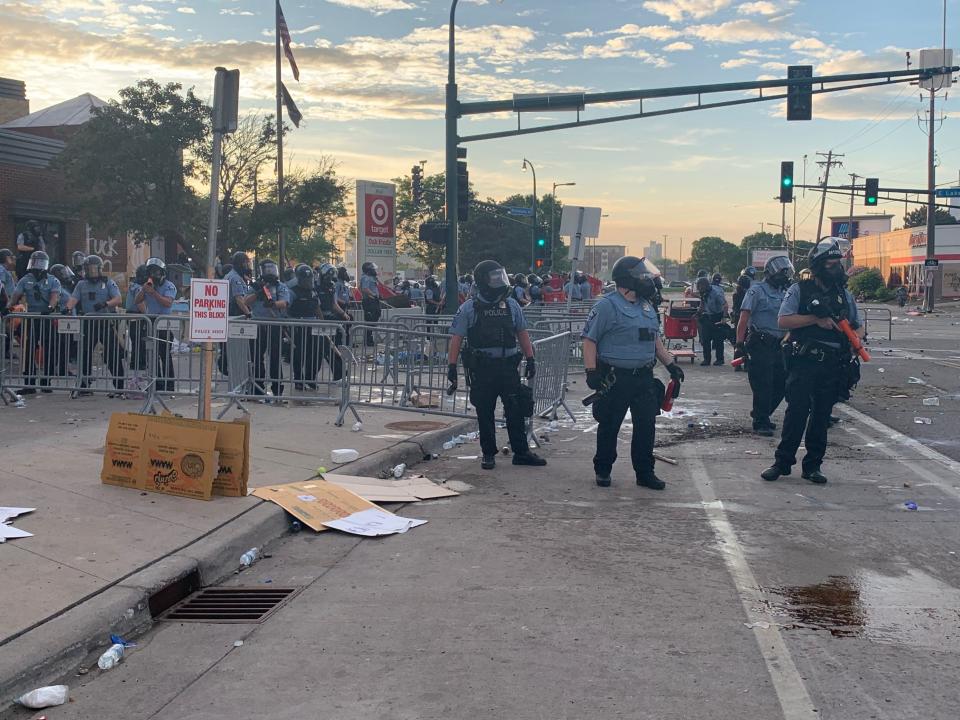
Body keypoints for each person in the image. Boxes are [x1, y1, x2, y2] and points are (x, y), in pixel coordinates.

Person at [761, 239, 864, 485]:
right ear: (818, 265)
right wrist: (814, 320)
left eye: (838, 263)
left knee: (821, 416)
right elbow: (783, 321)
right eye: (831, 264)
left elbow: (858, 327)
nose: (836, 268)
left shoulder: (843, 294)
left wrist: (854, 341)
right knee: (796, 412)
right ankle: (782, 463)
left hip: (833, 363)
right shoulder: (799, 290)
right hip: (805, 361)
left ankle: (813, 466)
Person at [582, 256, 685, 490]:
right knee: (610, 425)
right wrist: (591, 371)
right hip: (616, 378)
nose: (647, 279)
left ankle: (645, 472)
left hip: (644, 378)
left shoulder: (646, 306)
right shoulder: (607, 305)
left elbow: (654, 339)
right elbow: (589, 340)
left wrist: (671, 365)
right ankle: (603, 469)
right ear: (628, 279)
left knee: (646, 426)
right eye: (642, 274)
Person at [447, 260, 546, 471]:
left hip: (508, 366)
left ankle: (521, 452)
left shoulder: (511, 305)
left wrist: (530, 358)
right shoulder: (469, 308)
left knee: (515, 409)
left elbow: (522, 333)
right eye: (494, 278)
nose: (500, 282)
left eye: (500, 276)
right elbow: (456, 338)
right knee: (485, 411)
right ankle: (488, 454)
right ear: (484, 281)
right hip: (483, 368)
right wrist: (452, 367)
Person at [736, 256, 793, 437]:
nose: (784, 275)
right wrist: (739, 343)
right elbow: (744, 318)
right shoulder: (756, 291)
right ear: (770, 272)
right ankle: (760, 421)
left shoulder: (786, 292)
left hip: (779, 343)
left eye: (786, 272)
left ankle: (763, 413)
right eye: (781, 272)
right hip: (760, 341)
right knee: (763, 383)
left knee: (782, 382)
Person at [66, 255, 125, 396]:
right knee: (84, 354)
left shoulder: (108, 283)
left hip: (105, 323)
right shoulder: (81, 284)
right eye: (88, 269)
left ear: (99, 269)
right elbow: (73, 299)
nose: (91, 272)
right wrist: (68, 308)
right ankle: (84, 385)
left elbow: (118, 299)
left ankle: (119, 387)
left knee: (112, 354)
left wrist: (106, 304)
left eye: (93, 269)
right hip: (88, 323)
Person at [9, 251, 60, 394]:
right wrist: (8, 308)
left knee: (49, 350)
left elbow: (54, 296)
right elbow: (15, 296)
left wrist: (50, 308)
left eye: (40, 263)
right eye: (35, 262)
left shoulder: (52, 280)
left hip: (46, 318)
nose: (37, 267)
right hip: (31, 319)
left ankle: (46, 382)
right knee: (29, 350)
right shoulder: (25, 280)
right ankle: (29, 383)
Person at [243, 258, 289, 399]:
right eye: (266, 269)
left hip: (274, 325)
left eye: (271, 269)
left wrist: (273, 304)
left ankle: (277, 389)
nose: (269, 272)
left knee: (275, 358)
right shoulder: (256, 286)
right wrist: (258, 294)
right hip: (258, 326)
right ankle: (257, 389)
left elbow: (285, 302)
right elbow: (245, 301)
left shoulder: (280, 286)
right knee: (256, 358)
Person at [137, 257, 177, 392]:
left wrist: (153, 293)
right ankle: (156, 383)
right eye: (151, 272)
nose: (154, 275)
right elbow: (137, 300)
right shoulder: (148, 285)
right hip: (150, 322)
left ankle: (169, 385)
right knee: (151, 355)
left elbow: (168, 302)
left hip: (164, 324)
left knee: (164, 355)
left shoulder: (169, 286)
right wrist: (144, 290)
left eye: (157, 272)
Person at [287, 263, 324, 389]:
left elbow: (317, 307)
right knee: (299, 354)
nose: (309, 281)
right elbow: (287, 308)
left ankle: (310, 378)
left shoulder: (313, 292)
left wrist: (322, 322)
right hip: (298, 326)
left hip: (313, 326)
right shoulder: (293, 291)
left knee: (316, 353)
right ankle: (298, 380)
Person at [696, 274, 728, 366]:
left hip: (718, 316)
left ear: (705, 286)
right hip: (708, 316)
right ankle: (707, 359)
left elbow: (725, 305)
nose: (699, 288)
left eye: (700, 286)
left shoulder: (716, 293)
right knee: (705, 339)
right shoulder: (703, 292)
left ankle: (720, 359)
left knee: (718, 340)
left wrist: (724, 318)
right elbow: (702, 304)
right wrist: (698, 313)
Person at [125, 265, 149, 375]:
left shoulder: (132, 286)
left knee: (135, 340)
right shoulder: (139, 288)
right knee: (140, 340)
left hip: (130, 315)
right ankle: (140, 363)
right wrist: (148, 315)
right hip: (138, 316)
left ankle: (135, 362)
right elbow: (140, 303)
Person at [359, 261, 381, 346]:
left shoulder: (370, 277)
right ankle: (368, 340)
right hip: (369, 301)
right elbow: (364, 289)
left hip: (373, 301)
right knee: (370, 320)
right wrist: (374, 295)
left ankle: (369, 338)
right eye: (372, 269)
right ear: (368, 270)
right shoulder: (366, 278)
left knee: (375, 317)